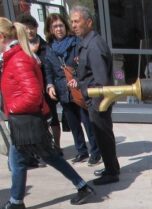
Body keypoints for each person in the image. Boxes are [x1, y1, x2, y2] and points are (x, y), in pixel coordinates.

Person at [0, 17, 94, 209]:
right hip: (23, 120)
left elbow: (33, 94)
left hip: (26, 120)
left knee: (43, 157)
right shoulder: (14, 57)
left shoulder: (18, 59)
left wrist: (13, 108)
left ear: (1, 37)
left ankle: (82, 186)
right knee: (20, 160)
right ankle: (16, 200)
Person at [69, 6, 120, 185]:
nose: (73, 25)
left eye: (77, 21)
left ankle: (112, 173)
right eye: (72, 22)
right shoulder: (87, 43)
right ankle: (111, 167)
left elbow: (101, 80)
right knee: (102, 136)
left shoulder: (94, 45)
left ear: (89, 22)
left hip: (98, 100)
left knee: (103, 136)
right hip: (95, 99)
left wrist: (97, 104)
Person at [43, 12, 101, 165]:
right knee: (74, 125)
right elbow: (48, 70)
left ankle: (96, 152)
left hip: (78, 89)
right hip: (63, 91)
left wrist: (77, 78)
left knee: (88, 123)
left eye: (61, 25)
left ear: (65, 26)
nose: (58, 29)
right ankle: (81, 151)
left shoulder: (76, 42)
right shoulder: (49, 48)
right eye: (55, 26)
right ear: (50, 29)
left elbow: (84, 64)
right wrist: (50, 85)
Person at [15, 13, 62, 154]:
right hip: (29, 91)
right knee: (37, 122)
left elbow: (51, 68)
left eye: (32, 27)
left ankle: (57, 147)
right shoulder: (19, 48)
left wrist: (50, 85)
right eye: (26, 28)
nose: (30, 31)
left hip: (46, 88)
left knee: (53, 118)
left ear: (36, 28)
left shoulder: (45, 46)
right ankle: (41, 149)